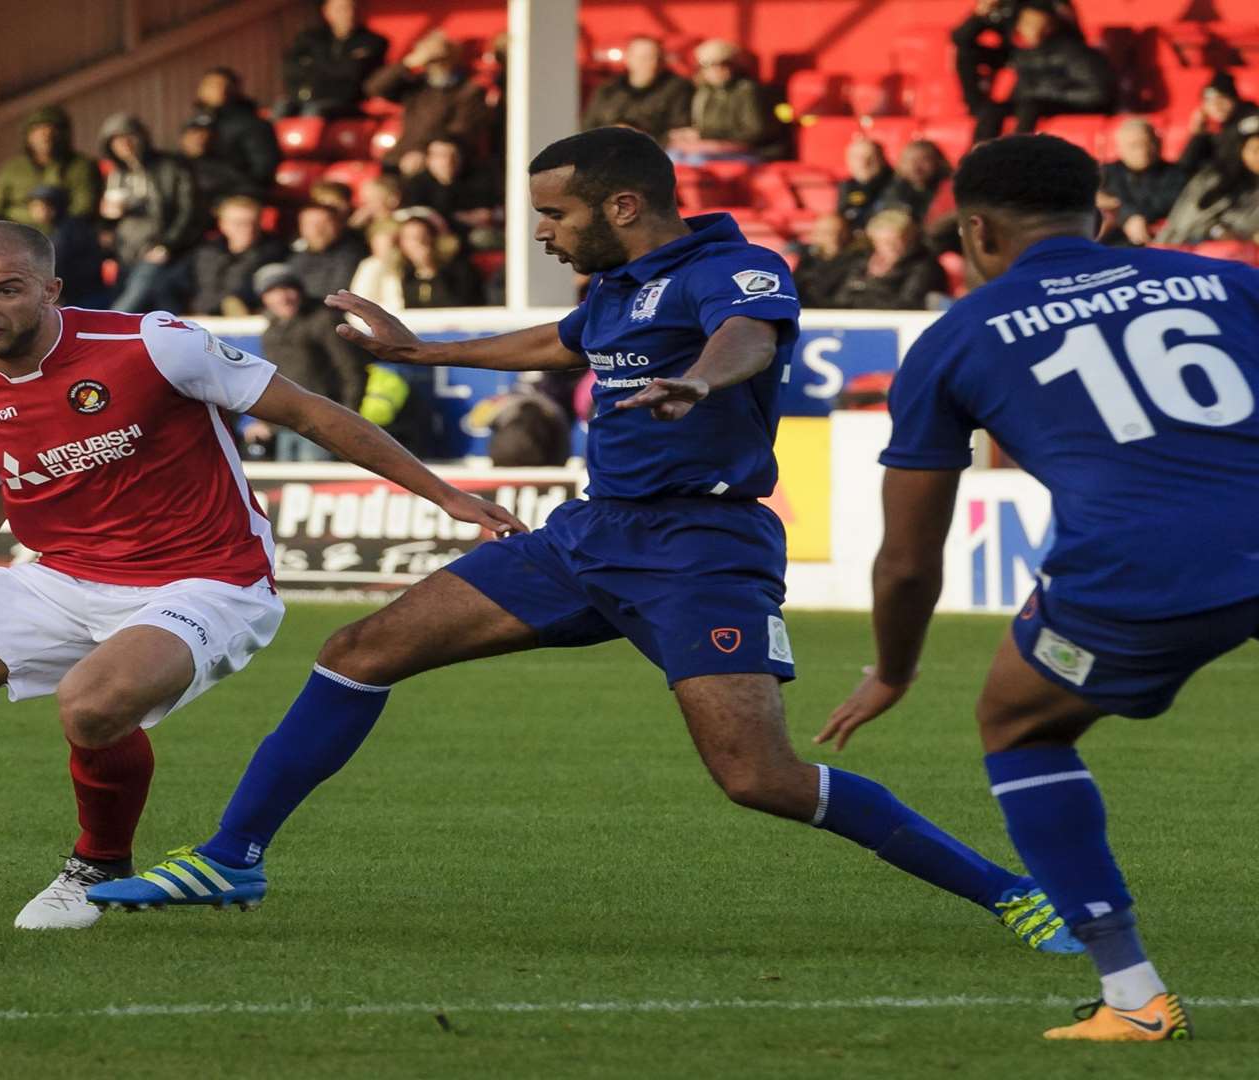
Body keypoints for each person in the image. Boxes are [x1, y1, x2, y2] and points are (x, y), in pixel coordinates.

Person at [88, 128, 1080, 964]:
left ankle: (1013, 894)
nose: (543, 235)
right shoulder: (613, 288)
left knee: (759, 779)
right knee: (357, 652)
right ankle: (232, 856)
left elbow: (750, 337)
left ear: (623, 207)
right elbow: (561, 340)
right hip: (589, 534)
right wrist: (421, 349)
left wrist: (698, 379)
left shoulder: (730, 268)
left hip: (701, 544)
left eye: (555, 218)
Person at [0, 221, 520, 933]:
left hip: (207, 580)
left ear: (50, 290)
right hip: (60, 575)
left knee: (92, 702)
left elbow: (311, 413)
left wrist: (446, 495)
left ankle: (96, 864)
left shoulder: (151, 345)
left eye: (4, 288)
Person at [816, 133, 1259, 1041]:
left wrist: (893, 671)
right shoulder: (1228, 281)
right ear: (1097, 215)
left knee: (1021, 725)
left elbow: (908, 557)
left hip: (1140, 569)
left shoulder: (957, 337)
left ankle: (1134, 1000)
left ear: (975, 232)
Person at [244, 262, 369, 460]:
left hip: (323, 427)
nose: (283, 297)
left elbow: (352, 371)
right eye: (273, 291)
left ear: (299, 291)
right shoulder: (271, 331)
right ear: (264, 298)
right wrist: (265, 422)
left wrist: (346, 419)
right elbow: (272, 381)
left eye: (288, 288)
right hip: (285, 427)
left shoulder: (325, 321)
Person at [97, 113, 203, 313]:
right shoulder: (116, 175)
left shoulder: (172, 167)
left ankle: (107, 329)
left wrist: (168, 245)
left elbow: (189, 212)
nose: (125, 144)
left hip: (159, 249)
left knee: (131, 303)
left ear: (142, 137)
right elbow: (109, 220)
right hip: (125, 254)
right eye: (117, 141)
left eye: (130, 137)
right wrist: (106, 222)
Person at [971, 1, 1116, 144]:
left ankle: (1019, 151)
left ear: (1051, 26)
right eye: (1026, 24)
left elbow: (1098, 93)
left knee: (1030, 106)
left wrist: (1050, 95)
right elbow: (963, 42)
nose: (1031, 29)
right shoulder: (1022, 53)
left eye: (1037, 24)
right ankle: (978, 155)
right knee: (993, 109)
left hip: (1071, 104)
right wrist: (978, 16)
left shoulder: (1074, 52)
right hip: (1033, 104)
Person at [365, 29, 492, 174]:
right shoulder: (418, 85)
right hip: (401, 157)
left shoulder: (468, 90)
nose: (434, 60)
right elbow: (374, 88)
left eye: (438, 54)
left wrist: (424, 154)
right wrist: (410, 62)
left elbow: (461, 132)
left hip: (443, 162)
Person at [0, 105, 102, 230]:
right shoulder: (13, 169)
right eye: (37, 130)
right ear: (28, 136)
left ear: (64, 134)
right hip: (18, 236)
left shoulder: (81, 166)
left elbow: (84, 207)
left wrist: (52, 221)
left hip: (63, 237)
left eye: (52, 130)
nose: (45, 135)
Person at [670, 39, 783, 161]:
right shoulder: (703, 92)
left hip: (754, 151)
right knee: (671, 156)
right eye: (707, 66)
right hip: (712, 147)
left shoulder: (748, 91)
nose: (715, 70)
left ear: (734, 65)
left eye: (722, 64)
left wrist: (705, 135)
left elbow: (755, 132)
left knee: (697, 159)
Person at [279, 0, 389, 119]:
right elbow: (290, 68)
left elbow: (353, 72)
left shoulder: (374, 41)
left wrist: (313, 63)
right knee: (281, 108)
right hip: (309, 96)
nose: (348, 13)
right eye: (341, 9)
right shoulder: (310, 38)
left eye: (352, 8)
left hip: (349, 102)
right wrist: (337, 64)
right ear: (327, 12)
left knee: (313, 111)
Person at [824, 209, 950, 310]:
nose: (891, 247)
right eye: (884, 242)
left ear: (909, 239)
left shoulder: (923, 266)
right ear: (874, 241)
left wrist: (864, 295)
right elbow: (839, 298)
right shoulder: (859, 262)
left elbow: (909, 304)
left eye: (896, 242)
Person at [581, 35, 694, 142]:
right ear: (628, 59)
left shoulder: (678, 88)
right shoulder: (608, 89)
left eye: (654, 57)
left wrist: (636, 134)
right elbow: (588, 125)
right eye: (642, 58)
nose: (649, 63)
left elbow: (680, 130)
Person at [186, 195, 284, 317]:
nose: (248, 229)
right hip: (199, 318)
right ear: (223, 224)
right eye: (238, 223)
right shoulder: (205, 252)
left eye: (253, 223)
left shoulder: (274, 254)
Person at [1156, 131, 1259, 245]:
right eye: (1255, 150)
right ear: (1241, 150)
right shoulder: (1213, 179)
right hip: (1186, 245)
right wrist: (1215, 230)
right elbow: (1186, 220)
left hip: (1240, 253)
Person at [1097, 119, 1187, 247]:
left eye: (1148, 143)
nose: (1143, 151)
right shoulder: (1105, 173)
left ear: (1158, 143)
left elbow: (1166, 203)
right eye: (1134, 145)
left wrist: (1123, 210)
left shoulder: (1176, 174)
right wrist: (1127, 217)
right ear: (1120, 148)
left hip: (1159, 242)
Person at [192, 67, 280, 192]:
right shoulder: (197, 124)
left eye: (217, 85)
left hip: (239, 195)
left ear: (233, 90)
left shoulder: (254, 125)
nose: (212, 90)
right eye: (207, 85)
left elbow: (262, 174)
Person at [25, 185, 108, 308]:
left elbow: (58, 267)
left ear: (53, 208)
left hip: (83, 300)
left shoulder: (68, 232)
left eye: (39, 206)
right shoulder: (61, 228)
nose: (34, 211)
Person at [398, 137, 500, 234]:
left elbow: (489, 212)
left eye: (453, 155)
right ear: (429, 160)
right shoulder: (416, 185)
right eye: (441, 156)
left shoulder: (477, 180)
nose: (447, 161)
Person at [1176, 73, 1259, 178]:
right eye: (1210, 102)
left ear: (1234, 98)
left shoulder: (1252, 121)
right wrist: (1197, 135)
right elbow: (1185, 166)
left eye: (1221, 99)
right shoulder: (1217, 132)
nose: (1216, 106)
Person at [395, 211, 482, 307]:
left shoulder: (459, 270)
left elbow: (455, 304)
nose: (419, 243)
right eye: (412, 238)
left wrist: (429, 268)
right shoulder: (406, 276)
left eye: (423, 236)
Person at [286, 202, 367, 299]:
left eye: (324, 223)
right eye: (310, 224)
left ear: (339, 225)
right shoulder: (296, 257)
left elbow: (335, 295)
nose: (317, 230)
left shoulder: (352, 255)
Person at [179, 115, 257, 208]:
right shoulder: (170, 166)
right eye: (195, 132)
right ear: (182, 138)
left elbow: (250, 189)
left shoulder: (224, 166)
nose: (200, 138)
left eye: (206, 133)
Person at [791, 213, 862, 308]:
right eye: (825, 232)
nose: (833, 237)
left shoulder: (857, 260)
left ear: (846, 233)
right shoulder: (807, 261)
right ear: (814, 236)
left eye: (837, 232)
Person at [877, 140, 955, 226]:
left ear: (939, 162)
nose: (915, 167)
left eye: (923, 160)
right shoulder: (890, 190)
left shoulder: (951, 190)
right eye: (909, 161)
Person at [837, 138, 893, 226]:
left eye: (870, 157)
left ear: (882, 159)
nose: (864, 163)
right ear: (848, 161)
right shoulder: (846, 185)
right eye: (857, 158)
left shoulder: (897, 183)